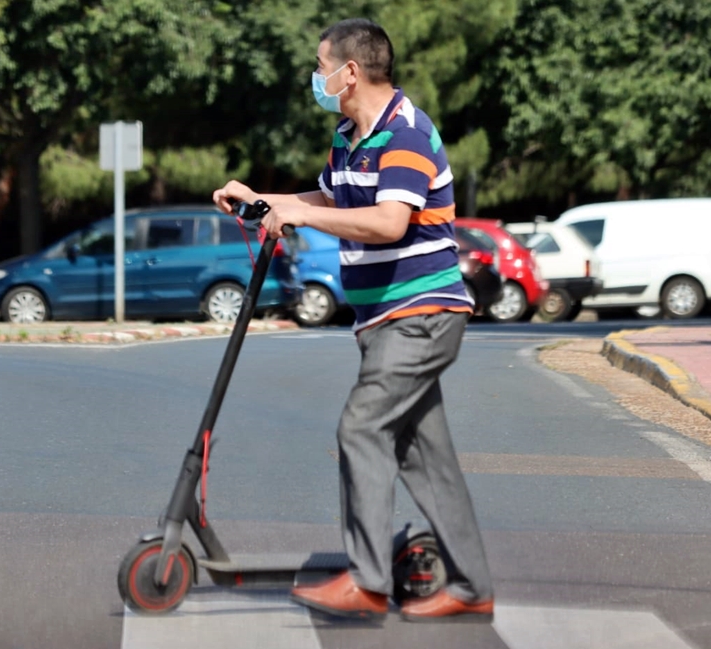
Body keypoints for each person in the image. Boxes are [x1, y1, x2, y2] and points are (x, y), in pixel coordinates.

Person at [212, 18, 494, 623]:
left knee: (361, 430)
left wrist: (304, 219)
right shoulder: (350, 136)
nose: (316, 78)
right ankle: (472, 586)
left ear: (351, 72)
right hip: (385, 319)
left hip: (421, 313)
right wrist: (262, 202)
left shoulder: (407, 134)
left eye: (320, 67)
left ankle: (367, 582)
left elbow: (389, 222)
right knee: (424, 456)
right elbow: (332, 201)